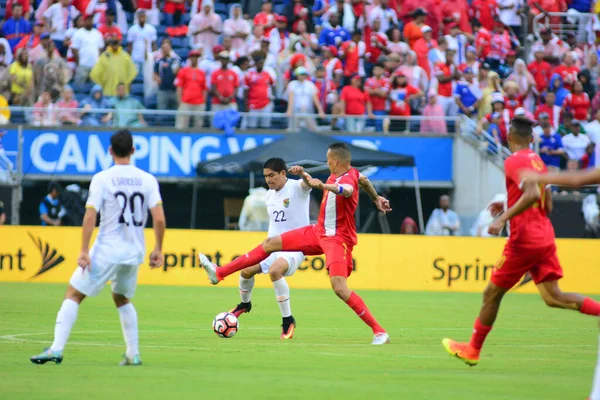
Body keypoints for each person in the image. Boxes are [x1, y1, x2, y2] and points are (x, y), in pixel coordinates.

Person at [442, 116, 600, 367]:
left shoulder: (513, 161)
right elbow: (545, 202)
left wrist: (501, 218)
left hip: (524, 239)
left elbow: (531, 194)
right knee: (553, 297)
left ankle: (472, 349)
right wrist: (507, 202)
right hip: (545, 235)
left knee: (491, 293)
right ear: (532, 138)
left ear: (508, 137)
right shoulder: (537, 161)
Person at [198, 143, 393, 345]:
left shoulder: (345, 180)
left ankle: (379, 331)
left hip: (337, 238)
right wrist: (376, 197)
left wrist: (323, 186)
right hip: (318, 231)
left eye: (327, 159)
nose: (326, 163)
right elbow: (364, 179)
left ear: (335, 161)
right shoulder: (353, 172)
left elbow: (345, 190)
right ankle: (219, 273)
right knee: (269, 243)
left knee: (340, 288)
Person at [30, 129, 166, 366]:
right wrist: (159, 249)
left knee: (73, 293)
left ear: (110, 151)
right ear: (133, 151)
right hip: (134, 252)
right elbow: (160, 218)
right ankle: (133, 354)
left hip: (107, 249)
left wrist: (84, 250)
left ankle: (56, 348)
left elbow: (90, 215)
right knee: (122, 298)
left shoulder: (102, 178)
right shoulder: (147, 179)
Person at [229, 158, 311, 339]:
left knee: (275, 271)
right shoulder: (268, 195)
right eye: (265, 176)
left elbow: (309, 184)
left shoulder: (297, 187)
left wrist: (303, 174)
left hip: (295, 248)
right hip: (273, 247)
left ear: (283, 173)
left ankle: (288, 320)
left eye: (272, 175)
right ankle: (244, 304)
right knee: (246, 270)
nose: (268, 179)